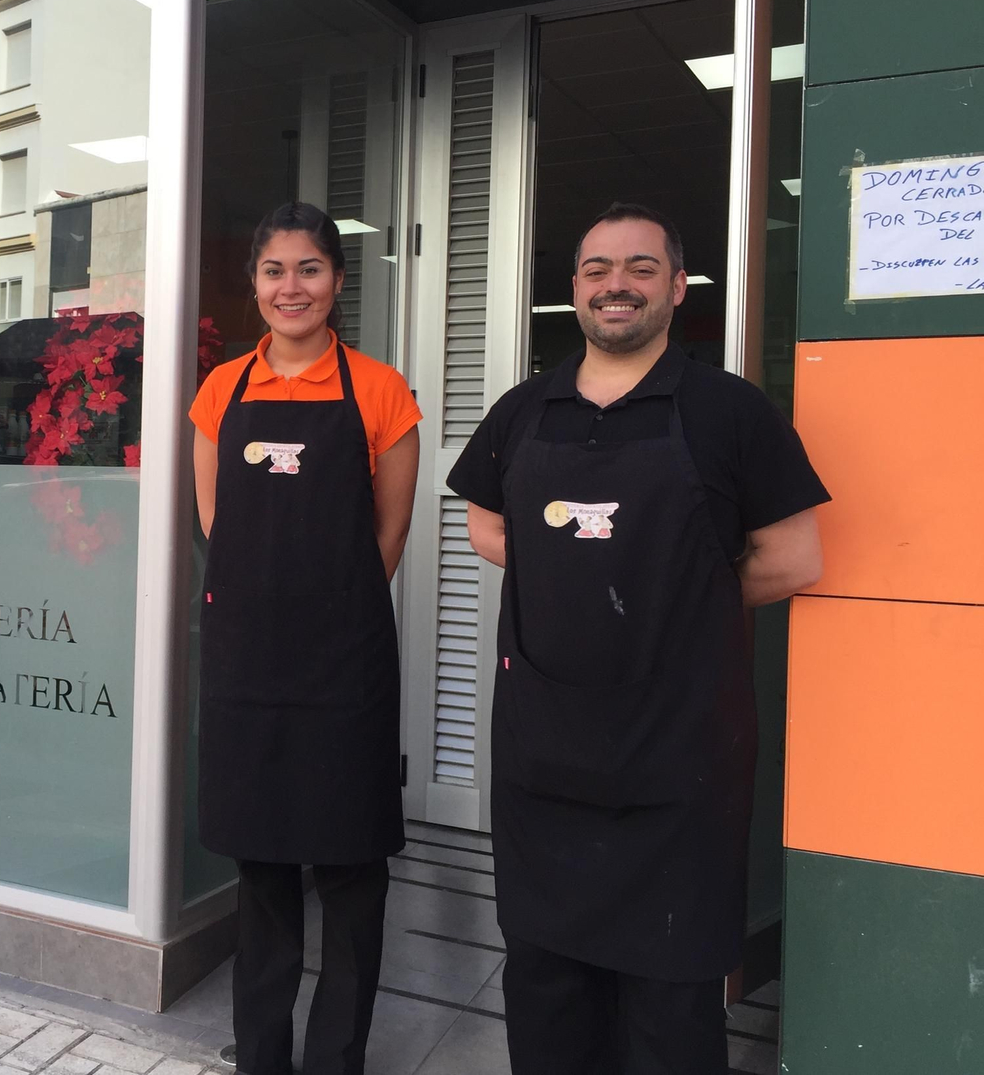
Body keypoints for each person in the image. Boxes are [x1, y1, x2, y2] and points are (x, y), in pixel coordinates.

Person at [448, 202, 829, 1074]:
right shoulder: (522, 410)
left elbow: (795, 556)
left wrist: (680, 599)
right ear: (574, 289)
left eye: (640, 268)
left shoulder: (730, 413)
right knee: (544, 997)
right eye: (596, 270)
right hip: (544, 764)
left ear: (677, 288)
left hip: (678, 770)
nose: (616, 285)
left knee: (669, 1015)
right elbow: (485, 525)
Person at [191, 202, 421, 1075]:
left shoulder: (380, 389)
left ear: (337, 281)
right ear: (255, 286)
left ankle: (336, 1059)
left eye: (310, 269)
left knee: (353, 870)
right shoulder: (222, 392)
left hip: (345, 666)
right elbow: (219, 522)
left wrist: (333, 606)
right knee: (265, 870)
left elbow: (388, 536)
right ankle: (262, 1056)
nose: (293, 287)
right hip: (250, 662)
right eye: (275, 271)